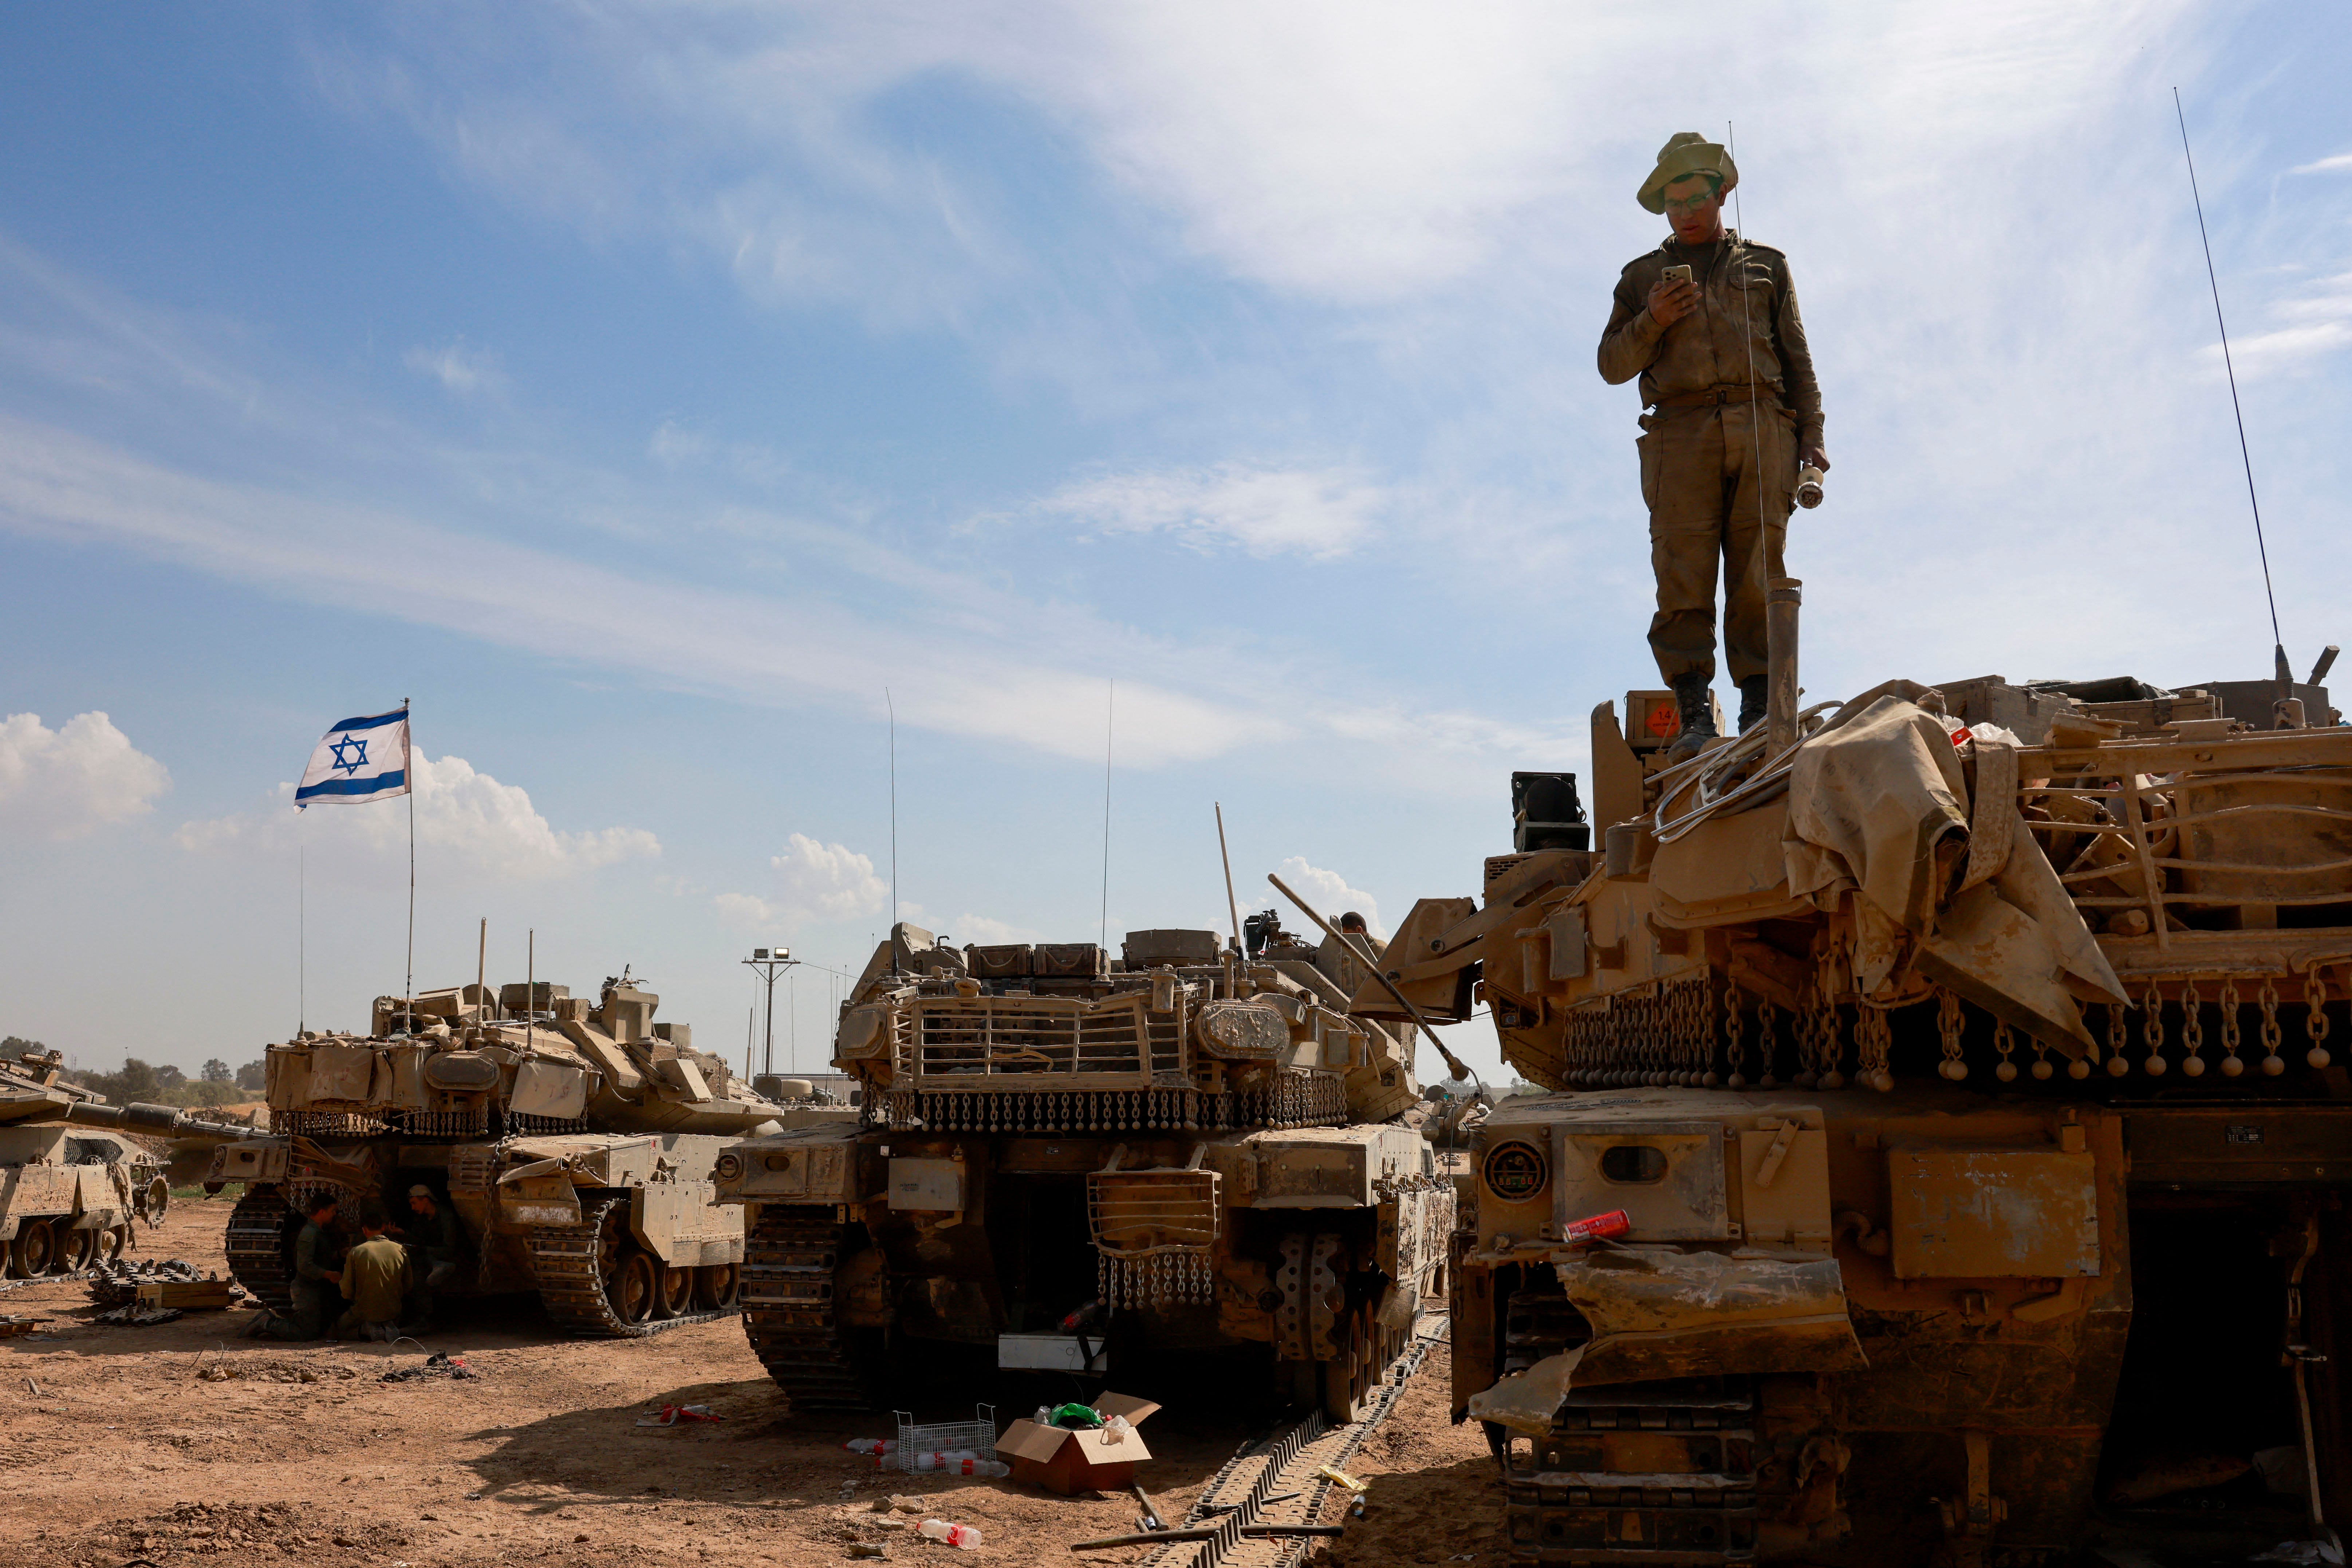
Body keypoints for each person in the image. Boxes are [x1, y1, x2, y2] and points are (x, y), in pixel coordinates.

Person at [1599, 132, 1827, 759]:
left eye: (1696, 197)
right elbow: (1611, 365)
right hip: (1680, 433)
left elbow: (1795, 358)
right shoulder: (1641, 278)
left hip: (1762, 428)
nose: (1685, 212)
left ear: (1720, 192)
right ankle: (1693, 710)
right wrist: (1653, 319)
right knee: (1682, 573)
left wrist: (1812, 438)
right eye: (1672, 203)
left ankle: (1758, 707)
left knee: (1760, 570)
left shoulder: (1766, 266)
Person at [247, 1192, 343, 1340]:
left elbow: (321, 1256)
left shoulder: (318, 1231)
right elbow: (304, 1266)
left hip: (317, 1288)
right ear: (322, 1212)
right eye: (333, 1211)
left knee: (322, 1329)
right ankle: (268, 1323)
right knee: (306, 1333)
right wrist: (330, 1275)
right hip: (307, 1290)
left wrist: (340, 1255)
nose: (335, 1214)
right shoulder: (310, 1234)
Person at [334, 1208, 413, 1342]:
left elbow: (346, 1290)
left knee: (339, 1330)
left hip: (364, 1310)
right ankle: (388, 1325)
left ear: (364, 1230)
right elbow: (408, 1285)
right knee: (386, 1315)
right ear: (383, 1227)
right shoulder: (400, 1249)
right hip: (393, 1309)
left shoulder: (356, 1252)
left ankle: (367, 1330)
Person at [395, 1184, 461, 1327]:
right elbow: (418, 1240)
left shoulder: (445, 1216)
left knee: (419, 1269)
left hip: (446, 1256)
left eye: (414, 1203)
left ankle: (423, 1320)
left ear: (425, 1200)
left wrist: (424, 1249)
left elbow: (449, 1249)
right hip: (429, 1255)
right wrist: (404, 1234)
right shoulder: (420, 1218)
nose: (413, 1208)